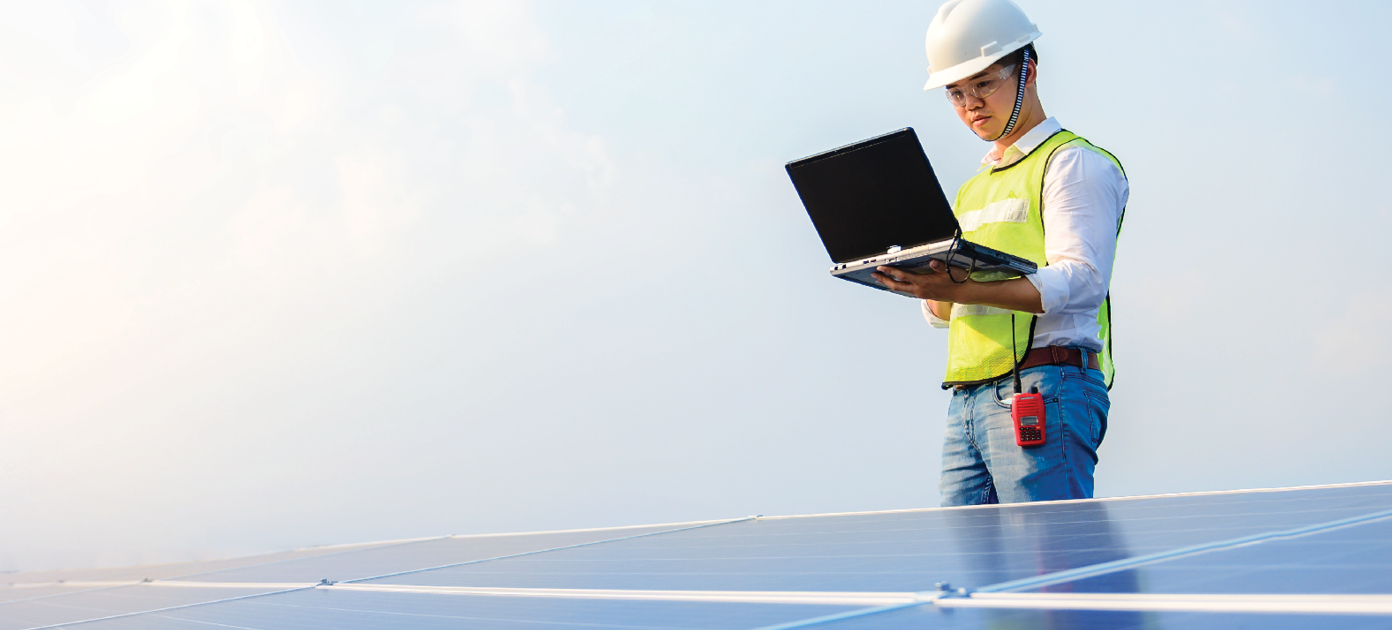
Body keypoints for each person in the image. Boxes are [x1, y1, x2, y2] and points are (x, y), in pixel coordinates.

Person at [871, 0, 1129, 506]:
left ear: (1028, 69)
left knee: (1051, 566)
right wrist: (924, 285)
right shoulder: (971, 189)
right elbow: (951, 311)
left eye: (984, 84)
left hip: (1044, 385)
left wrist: (957, 285)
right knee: (975, 572)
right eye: (956, 93)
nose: (970, 105)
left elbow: (1080, 282)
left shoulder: (1071, 163)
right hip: (966, 398)